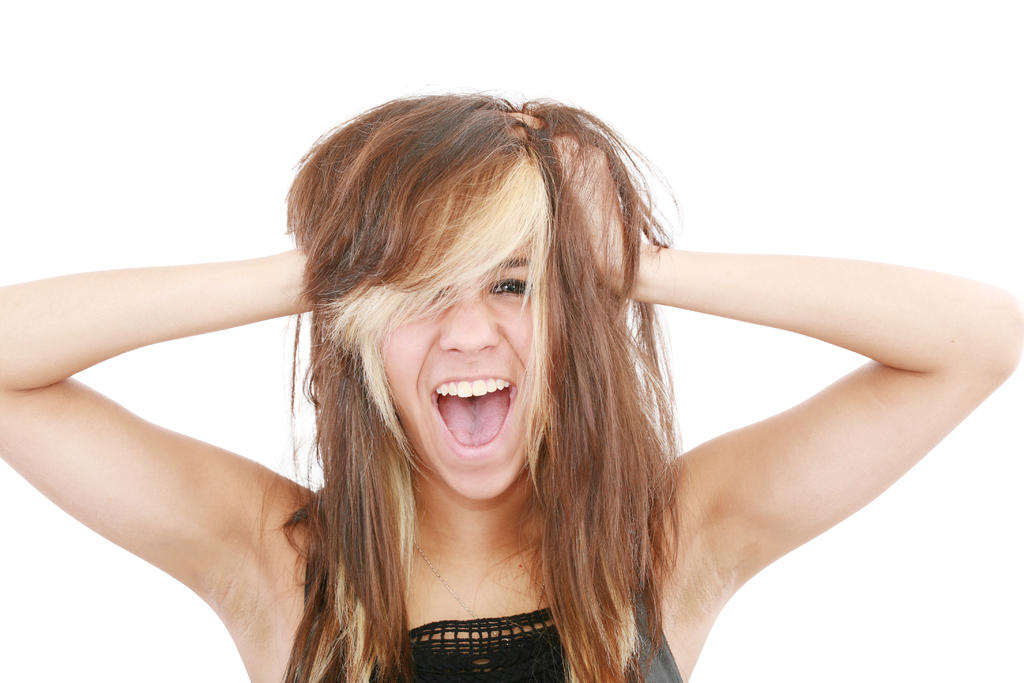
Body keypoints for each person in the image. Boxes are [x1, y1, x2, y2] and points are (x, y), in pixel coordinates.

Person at [0, 93, 1020, 683]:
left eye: (513, 282)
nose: (468, 331)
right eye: (419, 292)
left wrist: (633, 266)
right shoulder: (280, 560)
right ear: (361, 327)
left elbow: (977, 338)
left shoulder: (665, 542)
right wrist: (323, 269)